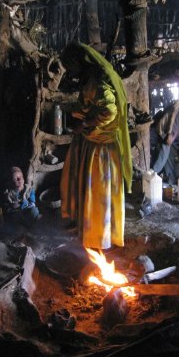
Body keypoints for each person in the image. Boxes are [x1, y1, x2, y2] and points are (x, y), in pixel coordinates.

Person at [60, 42, 132, 251]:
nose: (69, 72)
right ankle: (95, 234)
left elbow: (110, 111)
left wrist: (84, 123)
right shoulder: (92, 78)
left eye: (70, 66)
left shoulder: (97, 82)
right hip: (94, 143)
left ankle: (99, 237)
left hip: (101, 149)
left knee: (99, 194)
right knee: (97, 194)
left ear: (79, 62)